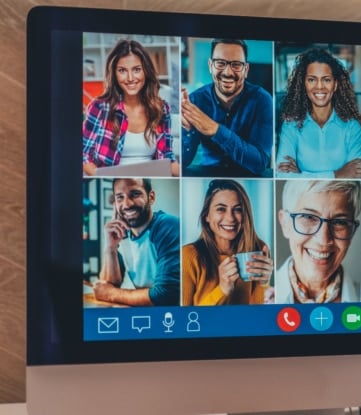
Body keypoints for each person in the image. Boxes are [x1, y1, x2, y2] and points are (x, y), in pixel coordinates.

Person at [82, 39, 179, 177]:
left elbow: (167, 155)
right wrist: (104, 177)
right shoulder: (99, 107)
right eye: (122, 70)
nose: (130, 78)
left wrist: (182, 173)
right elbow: (84, 155)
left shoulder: (162, 109)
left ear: (146, 71)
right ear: (114, 74)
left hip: (150, 178)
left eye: (137, 70)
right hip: (112, 179)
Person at [181, 39, 274, 177]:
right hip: (208, 173)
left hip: (250, 177)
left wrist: (215, 130)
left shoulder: (262, 100)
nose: (228, 72)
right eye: (220, 63)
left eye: (236, 64)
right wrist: (188, 131)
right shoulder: (195, 100)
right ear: (210, 66)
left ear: (246, 69)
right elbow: (182, 163)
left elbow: (259, 163)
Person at [182, 179, 274, 306]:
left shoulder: (258, 248)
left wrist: (263, 284)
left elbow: (258, 315)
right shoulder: (188, 255)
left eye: (238, 209)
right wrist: (222, 289)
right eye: (221, 209)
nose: (230, 218)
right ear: (206, 216)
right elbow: (185, 319)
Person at [277, 48, 361, 179]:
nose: (319, 87)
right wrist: (338, 174)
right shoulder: (290, 126)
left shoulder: (352, 127)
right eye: (312, 80)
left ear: (335, 85)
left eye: (326, 80)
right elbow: (282, 175)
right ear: (303, 85)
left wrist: (301, 175)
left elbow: (356, 174)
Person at [93, 178, 179, 306]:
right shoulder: (123, 233)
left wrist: (111, 294)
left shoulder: (167, 225)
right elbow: (109, 284)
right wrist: (110, 247)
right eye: (120, 198)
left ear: (151, 197)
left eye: (135, 194)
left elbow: (165, 295)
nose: (127, 204)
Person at [275, 180, 361, 303]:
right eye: (309, 217)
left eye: (339, 222)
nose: (324, 240)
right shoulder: (257, 296)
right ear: (285, 223)